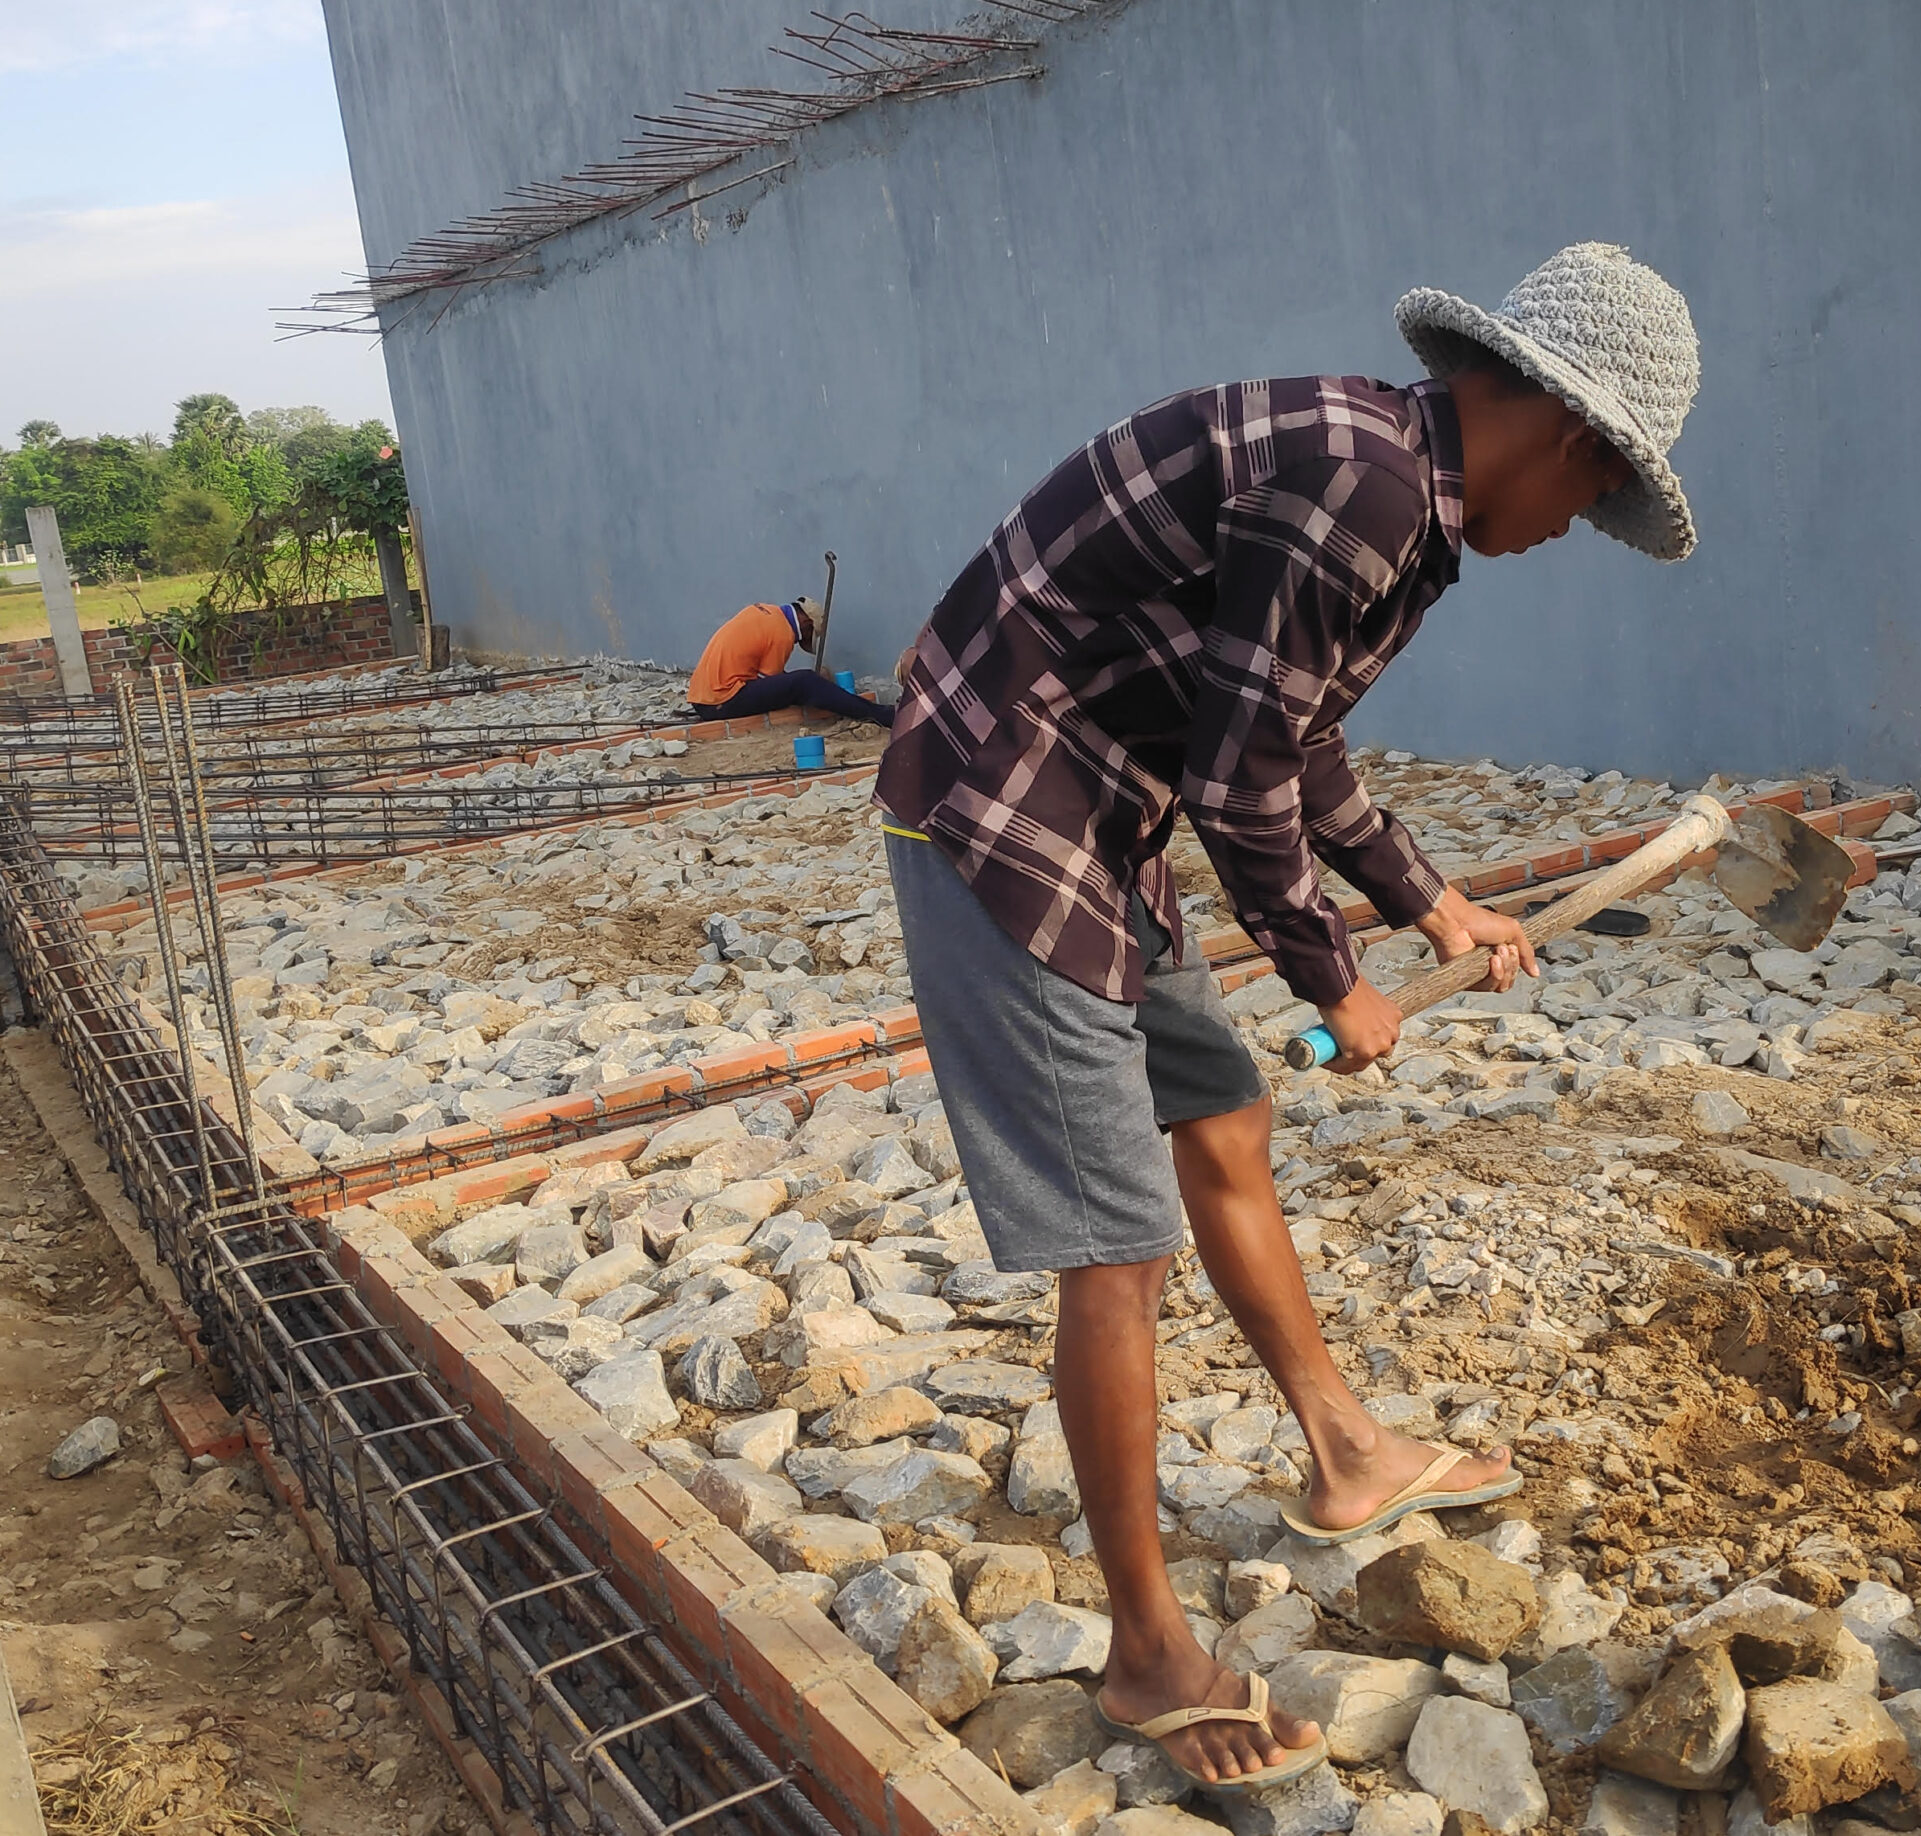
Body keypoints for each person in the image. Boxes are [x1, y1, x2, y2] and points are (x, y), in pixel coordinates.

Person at [876, 244, 1700, 1789]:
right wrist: (1337, 980)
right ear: (1571, 438)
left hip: (1104, 800)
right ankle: (1142, 1656)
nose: (1567, 532)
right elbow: (1241, 784)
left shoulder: (1393, 484)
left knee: (1225, 1108)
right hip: (1003, 802)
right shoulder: (1363, 489)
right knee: (1116, 1250)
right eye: (1590, 504)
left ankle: (1343, 1451)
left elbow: (1290, 731)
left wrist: (1428, 904)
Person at [685, 597, 892, 723]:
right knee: (805, 681)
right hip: (721, 701)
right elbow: (775, 681)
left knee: (803, 683)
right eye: (810, 632)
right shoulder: (782, 632)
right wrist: (821, 686)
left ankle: (851, 703)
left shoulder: (763, 611)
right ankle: (880, 715)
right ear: (805, 622)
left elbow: (772, 684)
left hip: (702, 698)